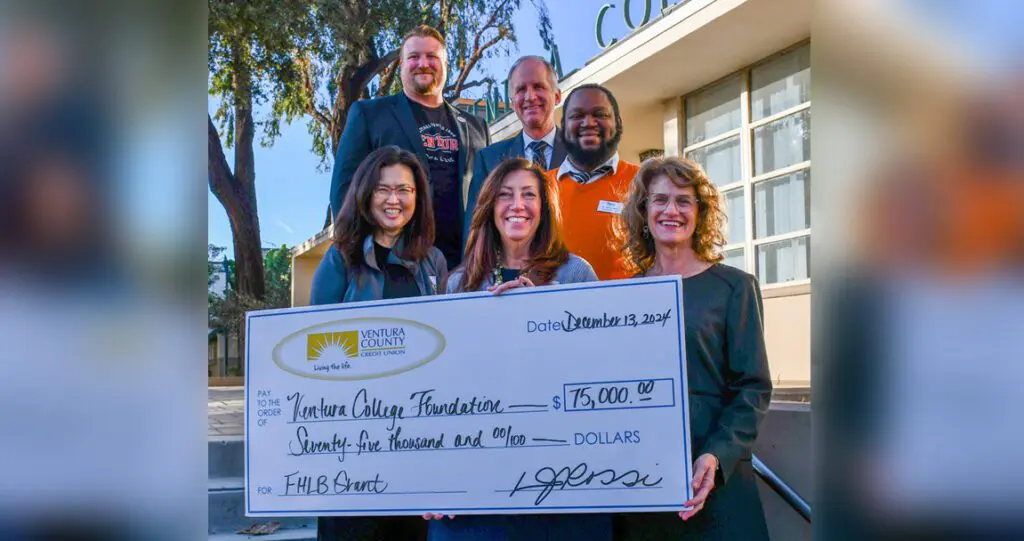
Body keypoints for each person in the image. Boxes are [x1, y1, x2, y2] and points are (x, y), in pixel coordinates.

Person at [427, 158, 604, 541]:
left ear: (544, 206)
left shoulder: (576, 273)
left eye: (529, 195)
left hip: (557, 469)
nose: (517, 205)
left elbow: (598, 367)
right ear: (490, 207)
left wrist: (543, 314)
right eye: (505, 196)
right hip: (480, 472)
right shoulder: (460, 283)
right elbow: (445, 382)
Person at [612, 156, 772, 540]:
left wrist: (716, 456)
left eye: (684, 201)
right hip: (642, 484)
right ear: (644, 210)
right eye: (660, 200)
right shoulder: (620, 296)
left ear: (700, 212)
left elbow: (753, 388)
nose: (672, 210)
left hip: (718, 482)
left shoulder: (735, 287)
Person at [310, 146, 447, 541]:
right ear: (366, 194)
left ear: (417, 199)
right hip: (352, 441)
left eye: (405, 190)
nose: (394, 200)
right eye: (383, 189)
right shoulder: (341, 257)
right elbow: (316, 347)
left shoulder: (433, 261)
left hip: (415, 438)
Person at [327, 24, 490, 270]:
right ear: (402, 65)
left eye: (432, 57)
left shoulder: (477, 127)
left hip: (464, 266)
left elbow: (489, 194)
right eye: (414, 57)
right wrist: (360, 252)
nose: (423, 63)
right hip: (394, 262)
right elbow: (343, 188)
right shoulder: (369, 114)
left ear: (445, 65)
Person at [463, 55, 567, 246]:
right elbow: (475, 230)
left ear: (557, 96)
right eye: (521, 89)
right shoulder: (489, 160)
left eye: (539, 87)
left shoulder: (580, 154)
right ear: (512, 103)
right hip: (511, 274)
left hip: (575, 272)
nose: (530, 96)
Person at [548, 83, 639, 281]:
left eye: (600, 114)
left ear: (618, 122)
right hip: (552, 307)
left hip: (625, 308)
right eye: (577, 116)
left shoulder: (644, 183)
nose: (588, 122)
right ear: (563, 126)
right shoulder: (538, 187)